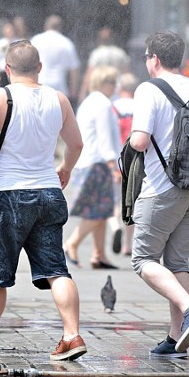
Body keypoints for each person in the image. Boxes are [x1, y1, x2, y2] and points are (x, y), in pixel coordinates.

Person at [0, 39, 87, 361]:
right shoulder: (58, 98)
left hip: (8, 195)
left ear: (7, 69)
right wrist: (65, 169)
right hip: (48, 193)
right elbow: (76, 144)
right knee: (56, 269)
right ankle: (72, 335)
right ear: (40, 68)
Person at [128, 30, 189, 357]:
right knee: (178, 261)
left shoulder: (148, 89)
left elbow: (139, 141)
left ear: (154, 57)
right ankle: (177, 338)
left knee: (143, 259)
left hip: (162, 188)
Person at [63, 66, 122, 270]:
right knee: (99, 211)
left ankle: (99, 254)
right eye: (112, 82)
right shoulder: (103, 104)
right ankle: (72, 243)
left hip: (87, 162)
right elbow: (105, 137)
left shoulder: (89, 102)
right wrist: (113, 165)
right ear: (103, 83)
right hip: (98, 163)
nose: (115, 86)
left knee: (100, 210)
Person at [111, 72, 138, 257]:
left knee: (115, 200)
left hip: (116, 157)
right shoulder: (140, 105)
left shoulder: (113, 107)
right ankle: (127, 246)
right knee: (131, 201)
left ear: (120, 88)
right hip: (134, 159)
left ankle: (114, 226)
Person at [31, 15, 81, 104]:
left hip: (39, 84)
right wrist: (73, 89)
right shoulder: (67, 43)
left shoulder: (36, 40)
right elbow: (74, 69)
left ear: (46, 26)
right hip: (59, 87)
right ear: (60, 28)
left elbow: (28, 63)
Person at [78, 27, 131, 101]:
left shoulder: (96, 53)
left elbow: (89, 74)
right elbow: (127, 75)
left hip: (100, 87)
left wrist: (82, 94)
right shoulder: (121, 53)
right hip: (116, 88)